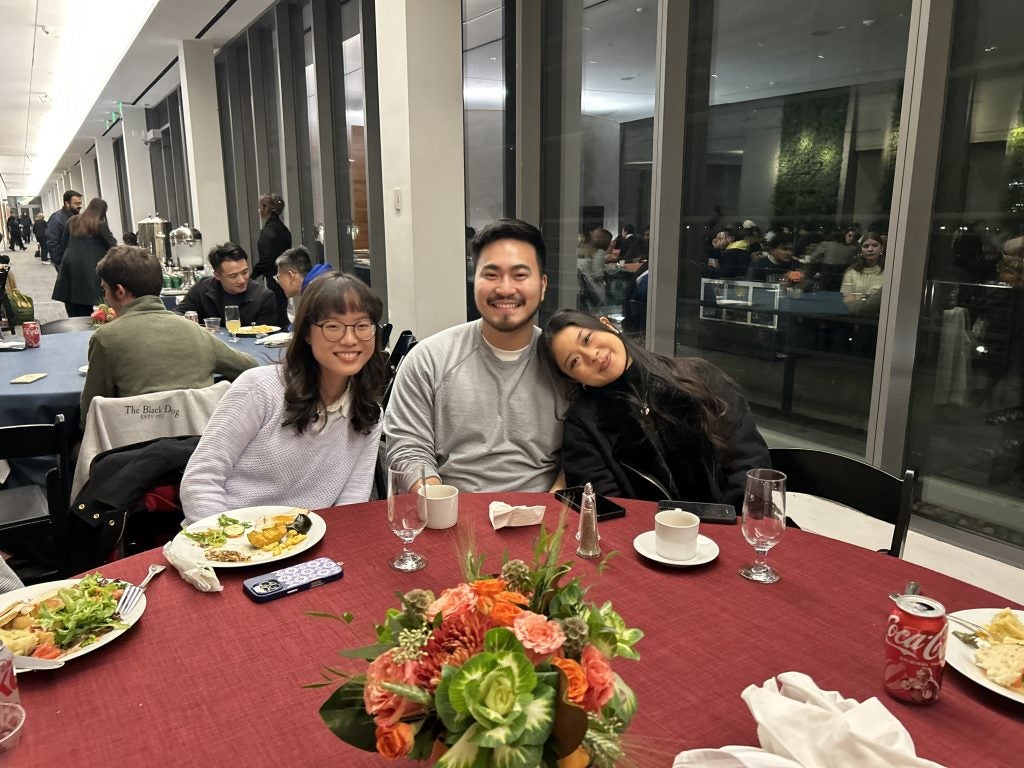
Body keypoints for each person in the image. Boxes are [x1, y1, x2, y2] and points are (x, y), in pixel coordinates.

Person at [180, 273, 387, 522]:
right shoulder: (260, 388)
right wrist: (230, 546)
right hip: (230, 540)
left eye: (362, 325)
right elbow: (201, 479)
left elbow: (352, 501)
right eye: (333, 326)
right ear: (307, 333)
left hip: (307, 543)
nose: (350, 339)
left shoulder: (368, 412)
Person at [384, 218, 566, 493]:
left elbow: (583, 452)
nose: (505, 289)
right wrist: (438, 502)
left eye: (519, 275)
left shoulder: (566, 366)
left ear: (542, 285)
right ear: (474, 281)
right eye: (491, 274)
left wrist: (554, 513)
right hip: (452, 513)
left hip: (546, 518)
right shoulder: (429, 360)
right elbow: (408, 447)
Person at [539, 309, 769, 508]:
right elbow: (605, 506)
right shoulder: (584, 427)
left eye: (587, 339)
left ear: (607, 325)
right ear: (571, 378)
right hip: (647, 544)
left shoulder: (699, 377)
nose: (592, 356)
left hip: (731, 531)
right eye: (574, 362)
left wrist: (723, 526)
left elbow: (750, 462)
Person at [80, 246, 258, 427]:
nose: (106, 298)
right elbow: (250, 368)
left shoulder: (106, 338)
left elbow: (90, 414)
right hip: (200, 445)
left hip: (134, 448)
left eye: (105, 291)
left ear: (119, 291)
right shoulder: (196, 332)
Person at [174, 242, 277, 327]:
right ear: (217, 276)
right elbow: (178, 315)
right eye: (233, 276)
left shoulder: (263, 296)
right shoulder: (202, 289)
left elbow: (265, 335)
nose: (241, 280)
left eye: (245, 272)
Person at [51, 197, 117, 317]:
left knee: (70, 296)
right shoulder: (99, 224)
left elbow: (63, 242)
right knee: (86, 300)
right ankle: (85, 325)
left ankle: (73, 322)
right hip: (88, 266)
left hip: (69, 263)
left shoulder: (72, 220)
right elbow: (112, 244)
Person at [253, 193, 292, 329]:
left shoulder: (268, 231)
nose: (258, 211)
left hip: (273, 276)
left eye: (260, 207)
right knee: (282, 309)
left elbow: (267, 259)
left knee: (278, 314)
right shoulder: (284, 230)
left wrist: (252, 275)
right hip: (284, 274)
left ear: (265, 209)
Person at [841, 232, 886, 305]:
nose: (870, 249)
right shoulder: (851, 272)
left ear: (881, 249)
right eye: (866, 246)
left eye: (875, 245)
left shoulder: (889, 273)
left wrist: (858, 298)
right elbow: (847, 300)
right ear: (861, 250)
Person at [46, 189, 83, 269]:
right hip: (65, 262)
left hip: (77, 261)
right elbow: (52, 242)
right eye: (76, 203)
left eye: (80, 203)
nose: (80, 206)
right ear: (67, 203)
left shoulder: (77, 217)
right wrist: (60, 262)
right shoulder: (56, 219)